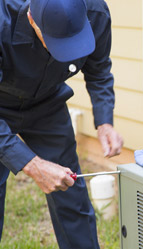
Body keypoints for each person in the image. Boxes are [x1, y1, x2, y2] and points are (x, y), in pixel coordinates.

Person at [0, 0, 123, 247]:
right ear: (32, 20)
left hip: (47, 104)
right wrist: (32, 164)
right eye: (57, 43)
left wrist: (104, 121)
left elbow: (98, 70)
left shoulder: (95, 13)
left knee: (71, 192)